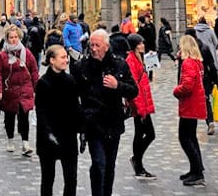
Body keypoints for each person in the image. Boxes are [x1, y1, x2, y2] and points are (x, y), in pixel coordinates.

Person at [70, 29, 138, 196]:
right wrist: (82, 118)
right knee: (99, 163)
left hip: (113, 122)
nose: (93, 48)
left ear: (106, 47)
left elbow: (133, 90)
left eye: (97, 45)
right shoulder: (81, 67)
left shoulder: (119, 64)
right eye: (91, 45)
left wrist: (118, 85)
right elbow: (73, 96)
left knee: (109, 166)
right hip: (93, 124)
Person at [36, 45, 83, 196]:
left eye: (66, 57)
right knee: (48, 179)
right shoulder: (43, 83)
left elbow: (76, 108)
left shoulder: (70, 80)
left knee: (71, 179)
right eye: (62, 57)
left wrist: (82, 131)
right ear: (52, 60)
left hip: (68, 136)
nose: (66, 60)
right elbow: (41, 112)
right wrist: (48, 133)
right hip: (48, 138)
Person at [0, 25, 39, 155]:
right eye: (11, 38)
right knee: (10, 116)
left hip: (25, 89)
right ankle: (10, 140)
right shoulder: (3, 55)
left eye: (15, 37)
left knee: (24, 116)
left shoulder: (26, 53)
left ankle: (25, 143)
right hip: (9, 91)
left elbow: (34, 72)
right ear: (7, 39)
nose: (13, 40)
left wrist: (38, 89)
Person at [174, 35, 207, 187]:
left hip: (190, 105)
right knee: (191, 137)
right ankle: (196, 168)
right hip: (195, 104)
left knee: (185, 138)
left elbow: (187, 86)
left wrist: (176, 90)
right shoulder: (197, 62)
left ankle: (197, 172)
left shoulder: (188, 63)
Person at [123, 34, 156, 180]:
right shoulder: (131, 60)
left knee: (142, 133)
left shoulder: (138, 58)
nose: (143, 45)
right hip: (139, 104)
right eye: (141, 43)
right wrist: (141, 108)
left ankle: (138, 163)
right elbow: (134, 86)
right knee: (148, 134)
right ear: (135, 45)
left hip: (142, 103)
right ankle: (137, 162)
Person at [185, 28, 218, 135]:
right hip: (204, 79)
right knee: (205, 101)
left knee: (189, 103)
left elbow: (182, 71)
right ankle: (210, 121)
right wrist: (214, 81)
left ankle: (190, 127)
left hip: (190, 80)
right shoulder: (204, 47)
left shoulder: (185, 51)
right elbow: (212, 66)